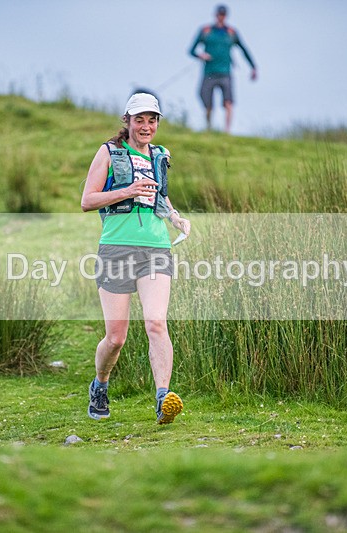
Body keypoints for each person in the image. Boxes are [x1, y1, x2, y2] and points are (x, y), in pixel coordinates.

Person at [80, 92, 191, 424]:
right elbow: (87, 200)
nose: (146, 126)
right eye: (139, 119)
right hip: (116, 248)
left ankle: (163, 398)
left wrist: (175, 218)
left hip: (156, 249)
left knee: (156, 323)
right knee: (116, 338)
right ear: (126, 121)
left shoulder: (160, 156)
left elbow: (161, 197)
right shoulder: (109, 152)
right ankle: (100, 385)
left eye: (152, 120)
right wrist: (127, 191)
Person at [189, 4, 257, 133]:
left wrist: (253, 67)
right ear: (216, 15)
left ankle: (227, 132)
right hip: (209, 72)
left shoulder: (231, 33)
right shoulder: (206, 31)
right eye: (219, 14)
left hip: (226, 72)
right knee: (208, 104)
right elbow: (191, 50)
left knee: (228, 103)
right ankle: (209, 128)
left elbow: (244, 49)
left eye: (223, 15)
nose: (221, 17)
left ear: (226, 16)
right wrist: (200, 55)